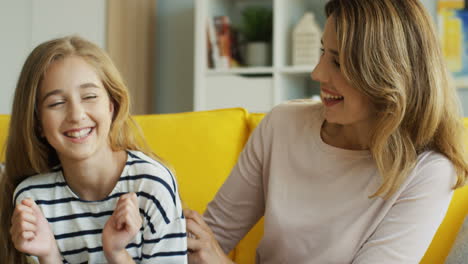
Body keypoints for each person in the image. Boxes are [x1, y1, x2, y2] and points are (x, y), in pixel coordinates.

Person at [185, 0, 468, 263]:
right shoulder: (282, 125)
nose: (317, 73)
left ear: (388, 75)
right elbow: (208, 239)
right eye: (323, 52)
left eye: (338, 62)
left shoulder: (428, 171)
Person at [0, 36, 187, 263]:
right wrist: (49, 254)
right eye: (56, 103)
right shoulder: (33, 201)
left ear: (111, 106)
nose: (77, 115)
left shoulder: (152, 185)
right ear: (37, 122)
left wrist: (117, 253)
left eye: (89, 96)